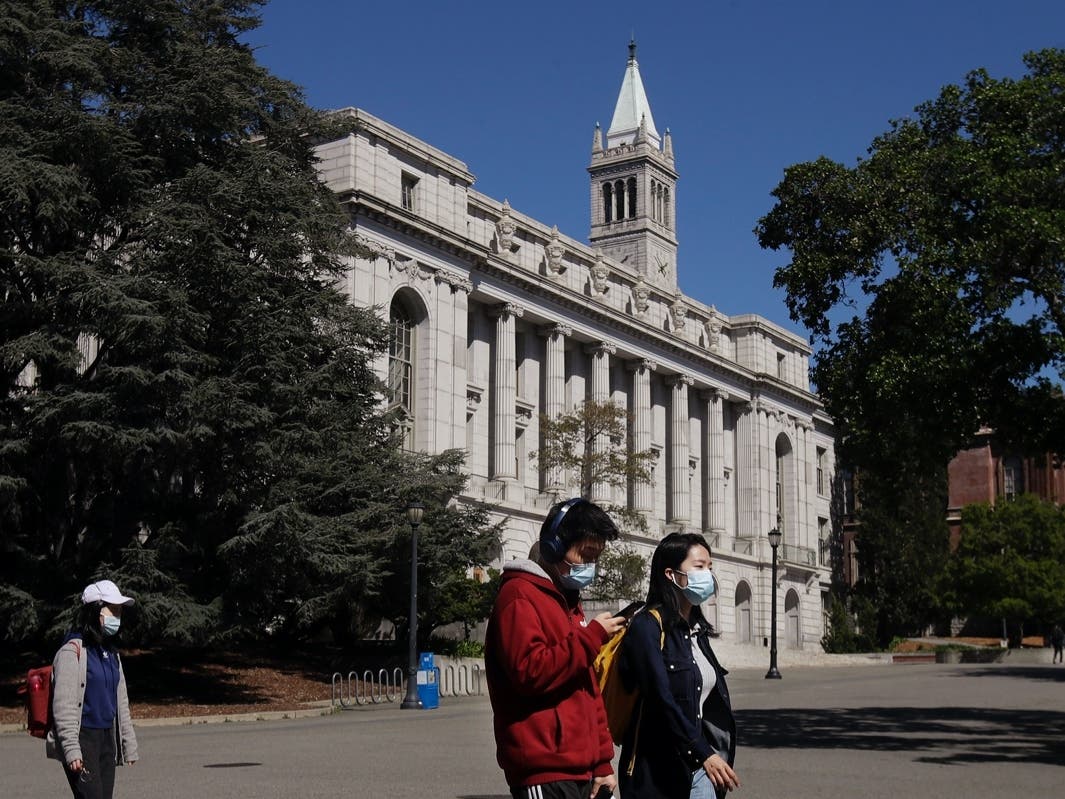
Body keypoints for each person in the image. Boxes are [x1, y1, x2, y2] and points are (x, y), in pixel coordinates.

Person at [485, 497, 627, 799]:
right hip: (543, 769)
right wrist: (591, 638)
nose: (590, 567)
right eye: (585, 555)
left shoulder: (569, 603)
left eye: (596, 558)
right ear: (553, 547)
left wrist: (603, 762)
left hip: (583, 769)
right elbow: (529, 671)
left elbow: (589, 692)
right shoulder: (519, 596)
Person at [618, 532, 739, 799]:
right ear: (671, 575)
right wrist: (702, 752)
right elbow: (660, 698)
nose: (708, 575)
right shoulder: (647, 626)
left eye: (710, 567)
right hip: (658, 773)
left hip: (699, 770)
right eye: (699, 567)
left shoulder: (697, 631)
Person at [47, 580, 139, 799]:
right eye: (112, 610)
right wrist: (71, 748)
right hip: (83, 738)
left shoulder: (111, 653)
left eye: (119, 611)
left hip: (107, 738)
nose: (117, 616)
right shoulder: (72, 652)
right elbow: (63, 706)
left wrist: (129, 743)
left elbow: (121, 700)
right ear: (95, 610)